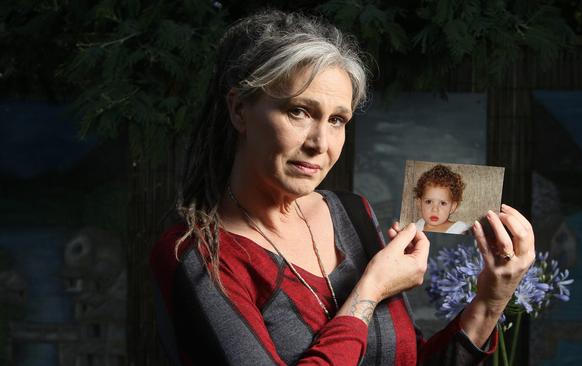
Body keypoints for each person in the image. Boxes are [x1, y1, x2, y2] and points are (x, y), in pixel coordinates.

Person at [150, 10, 535, 366]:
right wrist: (369, 291)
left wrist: (490, 299)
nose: (320, 143)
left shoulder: (351, 213)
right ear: (239, 110)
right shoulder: (197, 255)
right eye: (298, 111)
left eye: (337, 120)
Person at [413, 165, 470, 234]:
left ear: (452, 207)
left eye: (442, 203)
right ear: (419, 203)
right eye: (429, 202)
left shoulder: (460, 229)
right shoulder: (416, 227)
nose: (435, 209)